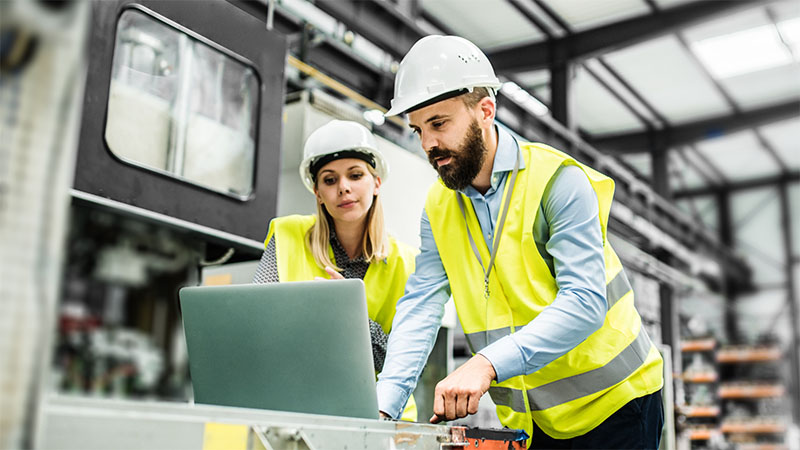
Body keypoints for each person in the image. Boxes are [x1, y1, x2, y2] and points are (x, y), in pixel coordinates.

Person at [377, 35, 664, 448]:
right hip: (536, 421)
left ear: (485, 111)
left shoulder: (558, 182)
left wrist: (487, 363)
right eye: (419, 129)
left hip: (617, 404)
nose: (428, 144)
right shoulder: (439, 208)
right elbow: (421, 306)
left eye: (439, 124)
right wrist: (384, 407)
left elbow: (584, 301)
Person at [252, 119, 418, 422]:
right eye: (329, 180)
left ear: (376, 182)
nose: (344, 187)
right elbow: (257, 325)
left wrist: (349, 315)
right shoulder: (287, 236)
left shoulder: (407, 262)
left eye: (355, 175)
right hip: (299, 409)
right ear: (317, 193)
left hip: (382, 417)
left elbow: (400, 359)